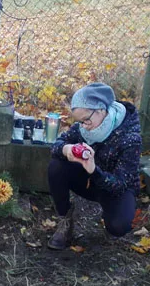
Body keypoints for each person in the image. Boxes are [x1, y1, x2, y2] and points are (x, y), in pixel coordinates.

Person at [46, 82, 142, 250]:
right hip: (90, 179)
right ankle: (65, 220)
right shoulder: (84, 127)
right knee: (56, 166)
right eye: (79, 122)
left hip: (115, 188)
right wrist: (65, 149)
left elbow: (120, 184)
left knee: (119, 226)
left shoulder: (130, 137)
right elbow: (57, 145)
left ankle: (111, 213)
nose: (83, 126)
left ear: (100, 110)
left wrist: (94, 171)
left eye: (86, 120)